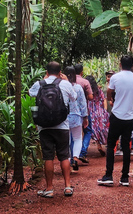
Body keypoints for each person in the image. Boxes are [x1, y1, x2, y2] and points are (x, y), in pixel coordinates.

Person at [29, 61, 77, 198]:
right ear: (60, 72)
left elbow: (31, 94)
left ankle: (49, 189)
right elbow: (75, 97)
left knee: (48, 156)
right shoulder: (65, 84)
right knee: (64, 155)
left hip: (44, 127)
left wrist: (43, 81)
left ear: (47, 71)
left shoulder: (39, 84)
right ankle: (67, 187)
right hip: (62, 125)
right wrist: (67, 81)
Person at [97, 55, 133, 186]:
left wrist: (112, 100)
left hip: (116, 115)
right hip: (129, 117)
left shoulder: (115, 77)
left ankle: (109, 175)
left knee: (111, 145)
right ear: (132, 65)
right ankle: (124, 178)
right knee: (126, 147)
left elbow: (109, 91)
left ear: (121, 64)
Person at [64, 66, 88, 172]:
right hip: (76, 116)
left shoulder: (62, 87)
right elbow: (83, 104)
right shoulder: (78, 88)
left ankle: (69, 159)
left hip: (64, 117)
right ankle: (75, 157)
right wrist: (85, 117)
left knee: (67, 140)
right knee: (77, 138)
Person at [85, 75, 109, 156]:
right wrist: (105, 110)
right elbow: (104, 99)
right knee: (103, 128)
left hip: (90, 110)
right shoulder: (98, 90)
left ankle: (99, 145)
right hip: (99, 110)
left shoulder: (86, 90)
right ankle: (106, 143)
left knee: (94, 129)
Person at [75, 63, 93, 164]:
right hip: (83, 110)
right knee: (87, 131)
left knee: (73, 134)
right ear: (82, 72)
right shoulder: (85, 82)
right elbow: (90, 97)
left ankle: (73, 156)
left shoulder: (68, 82)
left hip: (71, 112)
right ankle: (82, 152)